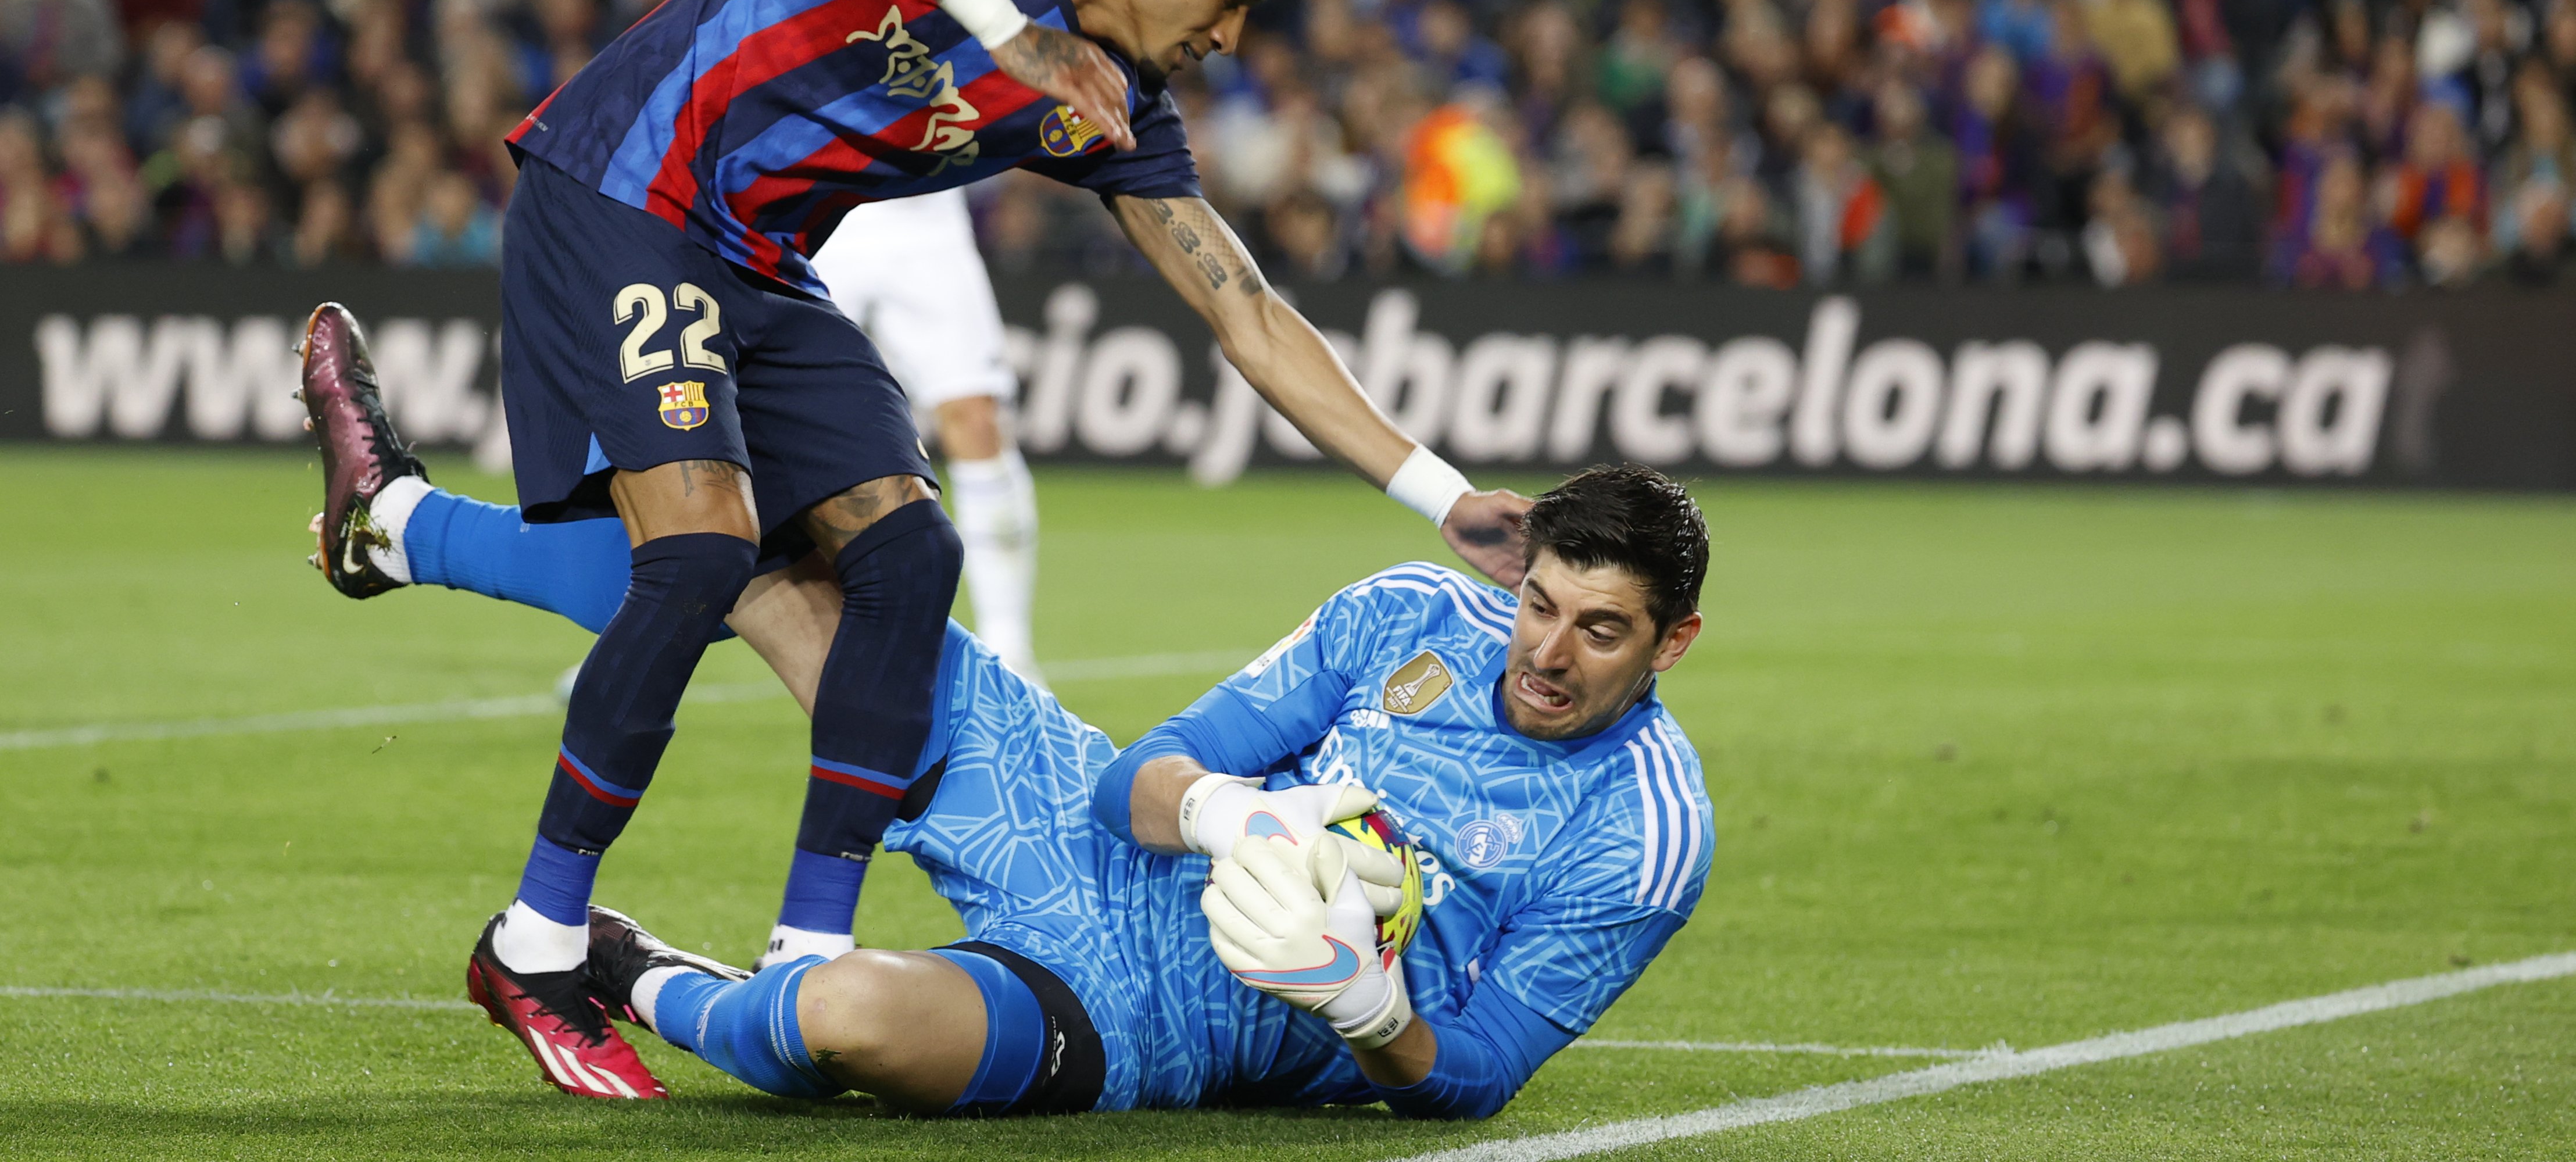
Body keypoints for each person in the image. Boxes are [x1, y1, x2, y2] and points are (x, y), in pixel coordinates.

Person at [296, 0, 1532, 1100]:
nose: (1229, 36)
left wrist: (1441, 495)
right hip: (628, 185)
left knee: (905, 548)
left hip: (758, 261)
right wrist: (1020, 37)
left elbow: (1246, 308)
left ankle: (804, 949)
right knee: (706, 550)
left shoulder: (1115, 106)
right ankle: (536, 943)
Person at [320, 453, 1711, 1117]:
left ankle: (629, 970)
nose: (1544, 651)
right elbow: (1138, 781)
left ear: (1671, 642)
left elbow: (1479, 1074)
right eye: (1539, 604)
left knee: (831, 1015)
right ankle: (396, 523)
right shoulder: (1401, 614)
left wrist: (1369, 1006)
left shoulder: (1647, 833)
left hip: (1154, 1018)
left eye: (1598, 631)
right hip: (1069, 820)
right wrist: (1232, 813)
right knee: (773, 558)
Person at [682, 0, 1042, 682]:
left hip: (915, 216)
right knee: (713, 450)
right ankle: (655, 629)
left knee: (973, 421)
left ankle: (1013, 654)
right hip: (792, 228)